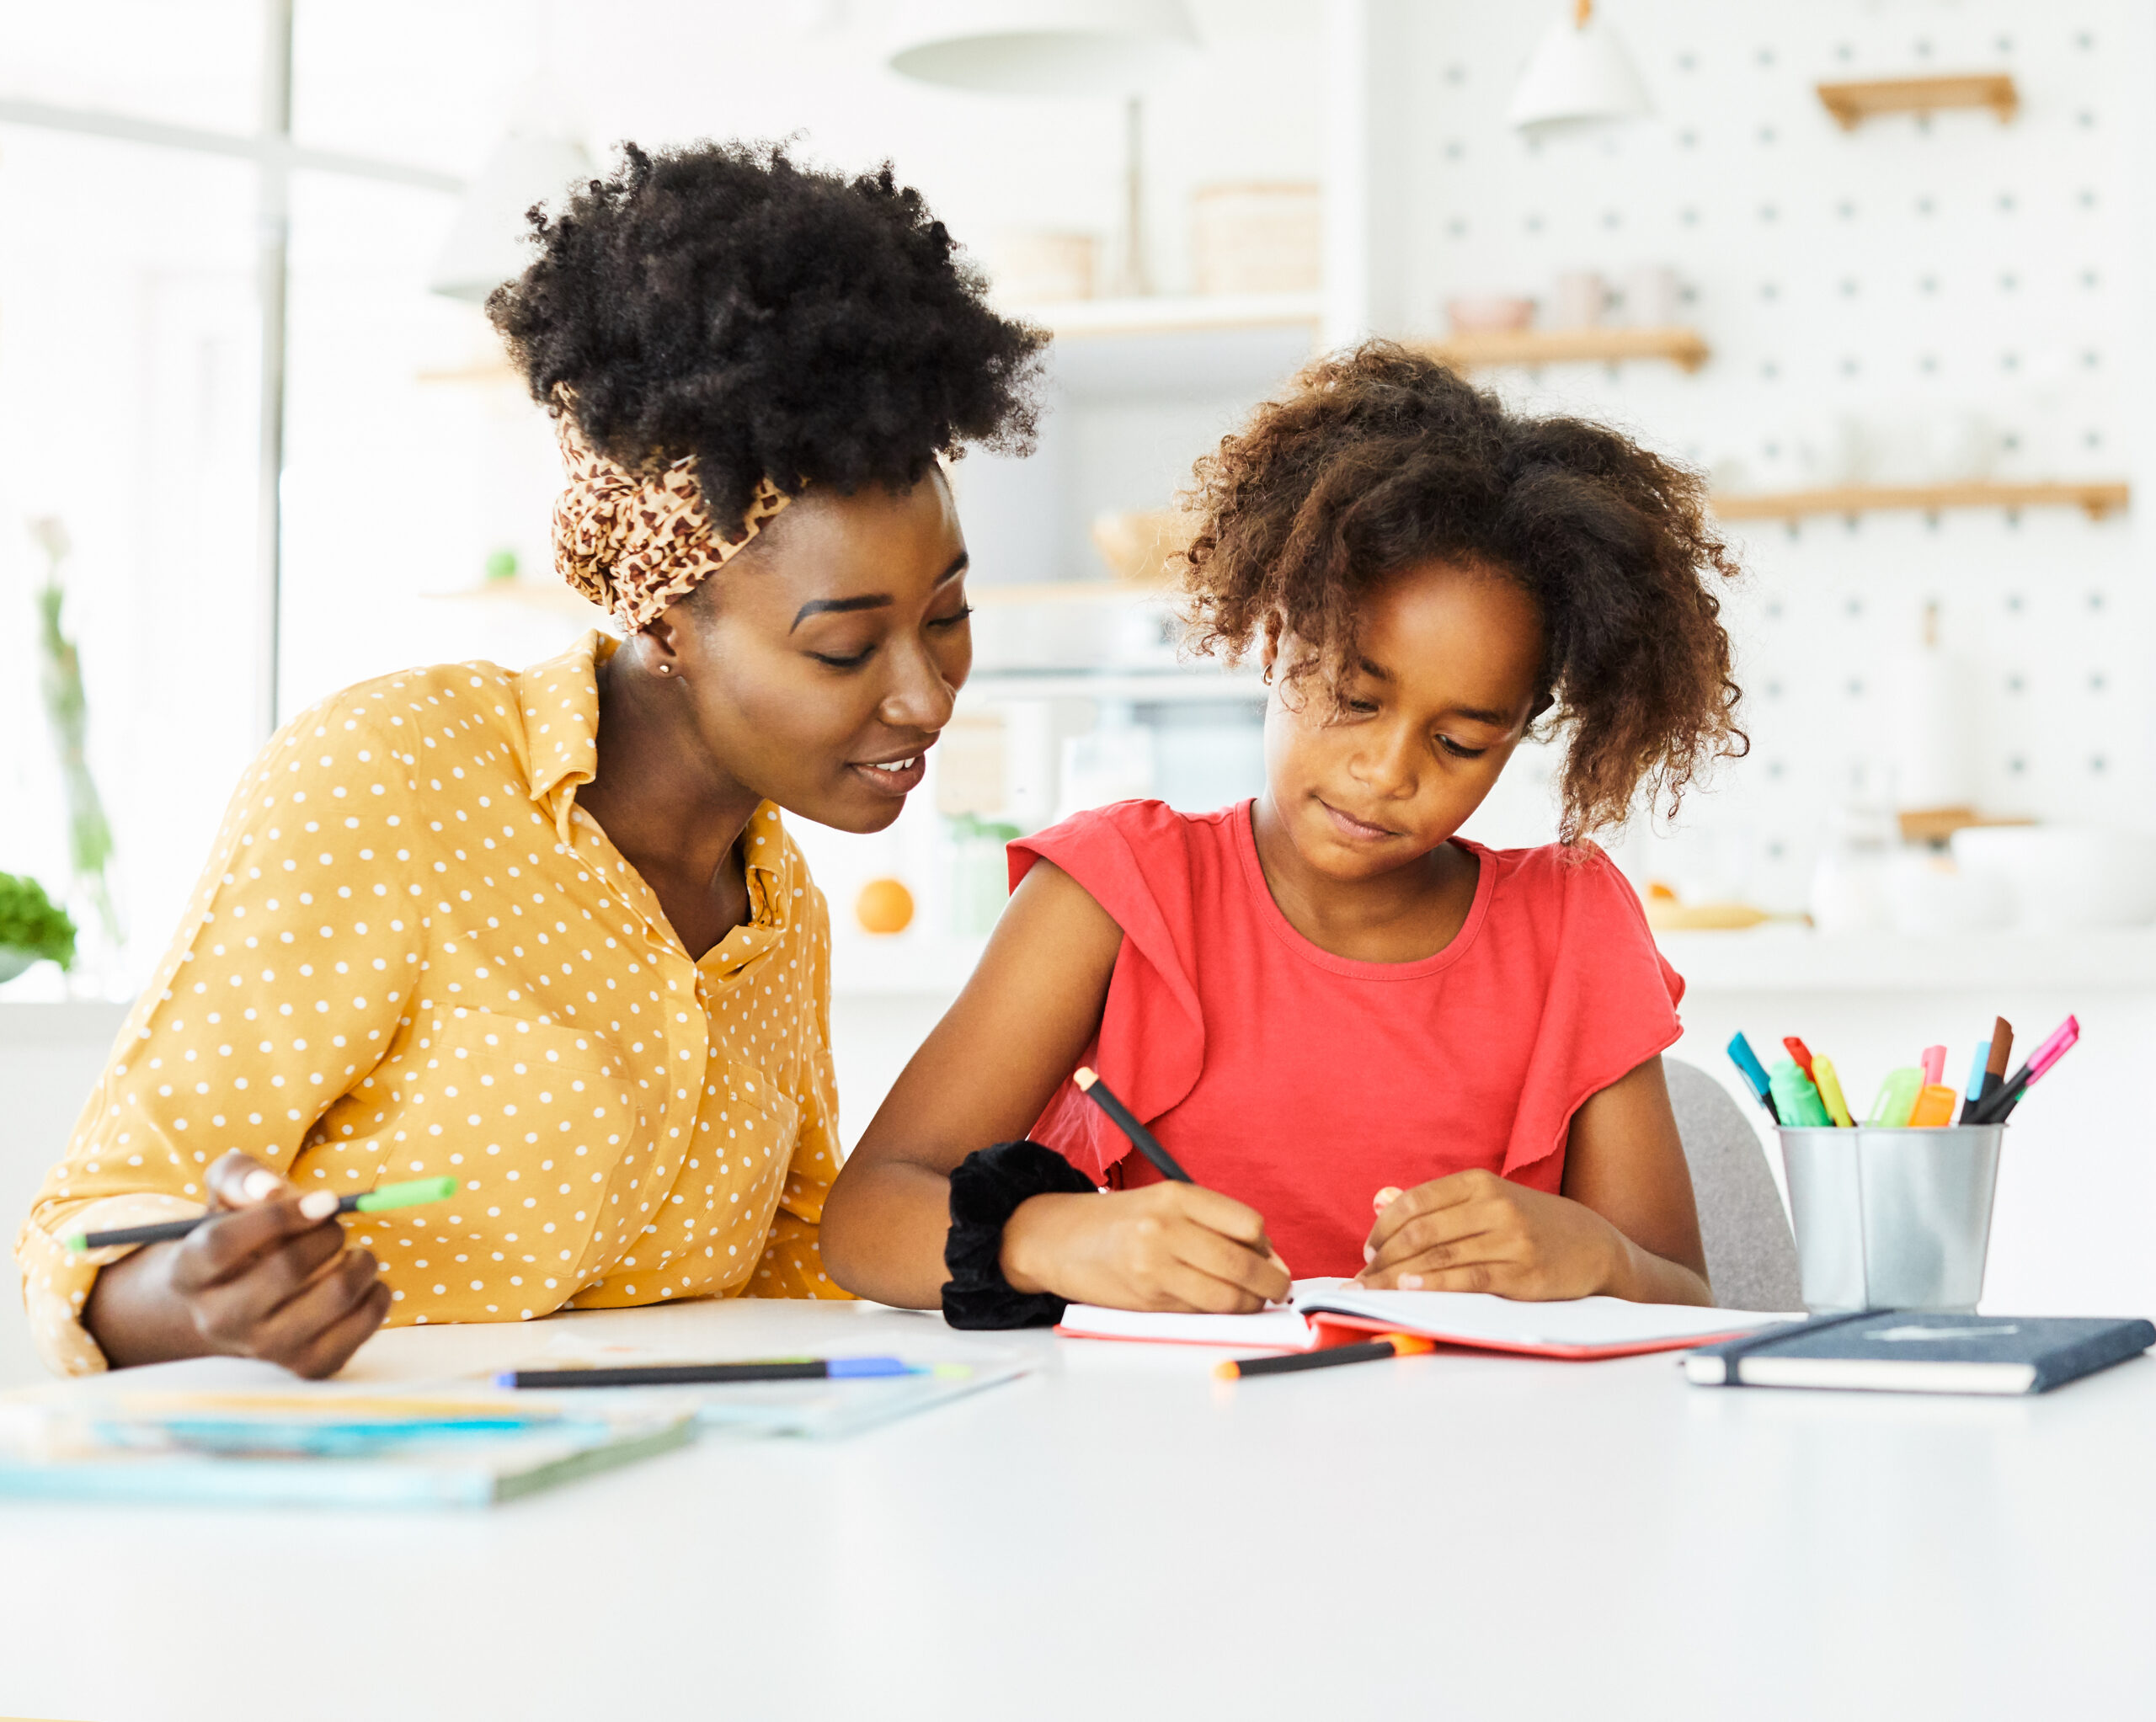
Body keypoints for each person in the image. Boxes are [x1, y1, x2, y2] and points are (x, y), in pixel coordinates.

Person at [16, 141, 1043, 1376]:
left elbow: (791, 1265)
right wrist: (194, 1297)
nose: (926, 696)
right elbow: (98, 1218)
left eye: (947, 618)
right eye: (844, 649)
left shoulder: (777, 909)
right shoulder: (394, 779)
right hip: (366, 1520)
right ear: (665, 625)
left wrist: (1062, 1242)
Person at [820, 343, 1746, 1324]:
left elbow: (1684, 1297)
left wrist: (1596, 1254)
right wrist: (1053, 1237)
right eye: (1352, 697)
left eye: (1460, 741)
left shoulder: (1569, 927)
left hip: (1478, 1459)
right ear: (1271, 636)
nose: (1388, 772)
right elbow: (866, 1219)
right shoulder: (1115, 892)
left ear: (1521, 731)